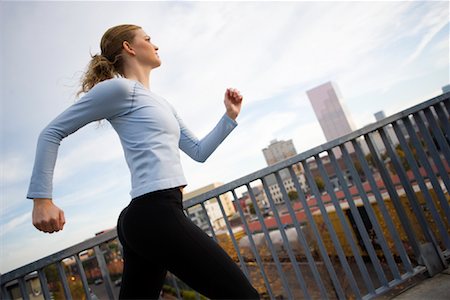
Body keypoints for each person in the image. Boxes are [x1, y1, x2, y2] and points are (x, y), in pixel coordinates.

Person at [28, 24, 260, 299]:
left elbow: (198, 151)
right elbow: (51, 132)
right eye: (149, 39)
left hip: (151, 216)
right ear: (129, 47)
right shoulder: (119, 90)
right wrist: (42, 200)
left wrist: (229, 117)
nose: (156, 45)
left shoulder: (161, 103)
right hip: (154, 214)